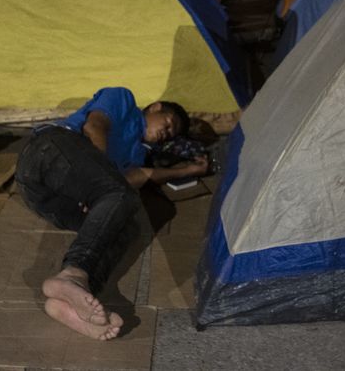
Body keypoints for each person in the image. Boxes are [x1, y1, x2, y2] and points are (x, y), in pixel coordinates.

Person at [14, 87, 208, 340]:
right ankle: (73, 273)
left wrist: (187, 170)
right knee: (119, 194)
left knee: (126, 226)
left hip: (53, 200)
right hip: (50, 150)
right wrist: (97, 185)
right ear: (156, 107)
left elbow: (136, 178)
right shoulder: (123, 99)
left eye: (170, 135)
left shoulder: (138, 152)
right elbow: (94, 127)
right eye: (169, 123)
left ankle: (74, 300)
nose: (166, 133)